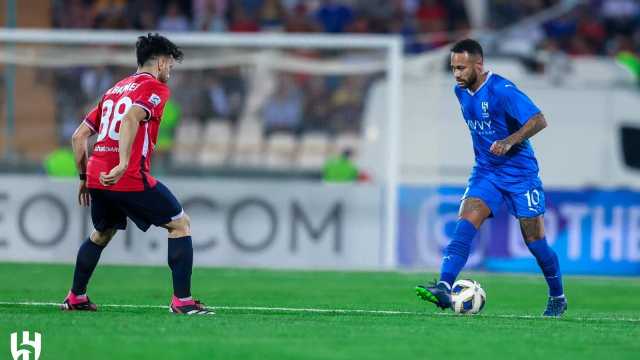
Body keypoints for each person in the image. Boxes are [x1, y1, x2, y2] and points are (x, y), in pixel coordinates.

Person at [63, 33, 213, 315]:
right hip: (127, 176)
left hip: (96, 175)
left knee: (102, 233)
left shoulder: (114, 89)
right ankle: (182, 301)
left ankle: (75, 297)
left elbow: (78, 136)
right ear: (160, 62)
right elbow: (132, 116)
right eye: (170, 64)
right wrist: (121, 164)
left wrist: (84, 178)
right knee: (180, 224)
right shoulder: (154, 87)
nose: (170, 70)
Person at [415, 39, 567, 317]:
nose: (457, 74)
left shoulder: (502, 90)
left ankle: (558, 296)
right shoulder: (459, 92)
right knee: (464, 224)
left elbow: (539, 120)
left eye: (462, 67)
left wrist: (510, 141)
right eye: (453, 68)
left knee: (535, 242)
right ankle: (444, 286)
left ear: (479, 64)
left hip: (521, 175)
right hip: (486, 172)